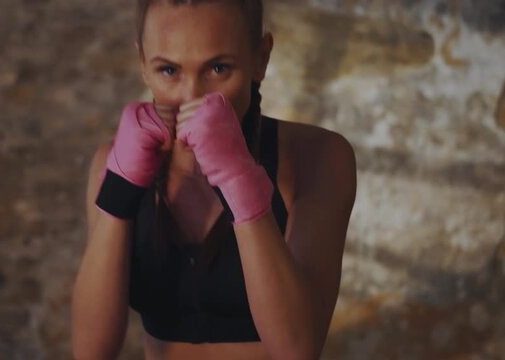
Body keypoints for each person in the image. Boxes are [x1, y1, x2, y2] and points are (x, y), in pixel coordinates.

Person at [72, 0, 357, 359]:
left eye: (219, 68)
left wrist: (238, 179)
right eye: (169, 70)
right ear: (143, 64)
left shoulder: (317, 156)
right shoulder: (110, 163)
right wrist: (120, 190)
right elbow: (90, 352)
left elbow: (297, 350)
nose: (192, 98)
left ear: (261, 58)